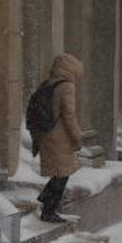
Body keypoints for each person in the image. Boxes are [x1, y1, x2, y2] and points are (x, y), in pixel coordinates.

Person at [34, 53, 85, 223]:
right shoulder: (67, 86)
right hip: (60, 138)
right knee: (61, 174)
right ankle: (48, 209)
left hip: (46, 135)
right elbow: (69, 116)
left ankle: (46, 201)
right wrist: (77, 138)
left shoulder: (47, 83)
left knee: (59, 173)